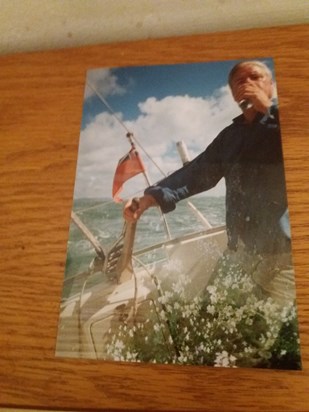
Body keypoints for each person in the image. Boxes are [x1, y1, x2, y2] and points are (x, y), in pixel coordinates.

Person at [124, 60, 296, 304]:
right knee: (208, 309)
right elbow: (197, 172)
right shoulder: (229, 137)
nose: (247, 83)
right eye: (239, 80)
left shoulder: (291, 119)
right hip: (239, 249)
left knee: (255, 335)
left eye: (255, 77)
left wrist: (268, 109)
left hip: (283, 256)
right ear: (233, 93)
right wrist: (148, 199)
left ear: (272, 85)